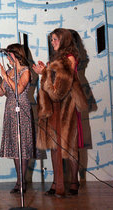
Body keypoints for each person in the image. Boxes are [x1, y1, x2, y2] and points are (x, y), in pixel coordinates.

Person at [32, 28, 87, 197]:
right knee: (54, 145)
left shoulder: (69, 58)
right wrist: (45, 71)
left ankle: (73, 182)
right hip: (54, 106)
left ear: (64, 40)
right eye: (52, 40)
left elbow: (60, 89)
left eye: (55, 39)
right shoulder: (57, 59)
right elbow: (52, 83)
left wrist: (45, 72)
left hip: (66, 106)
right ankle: (57, 183)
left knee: (69, 146)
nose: (53, 43)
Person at [0, 43, 33, 193]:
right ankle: (19, 181)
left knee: (22, 145)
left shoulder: (25, 70)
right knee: (15, 145)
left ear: (16, 54)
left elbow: (19, 90)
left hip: (22, 108)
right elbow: (1, 92)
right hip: (10, 109)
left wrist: (6, 77)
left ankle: (22, 181)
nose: (7, 56)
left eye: (9, 54)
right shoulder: (9, 71)